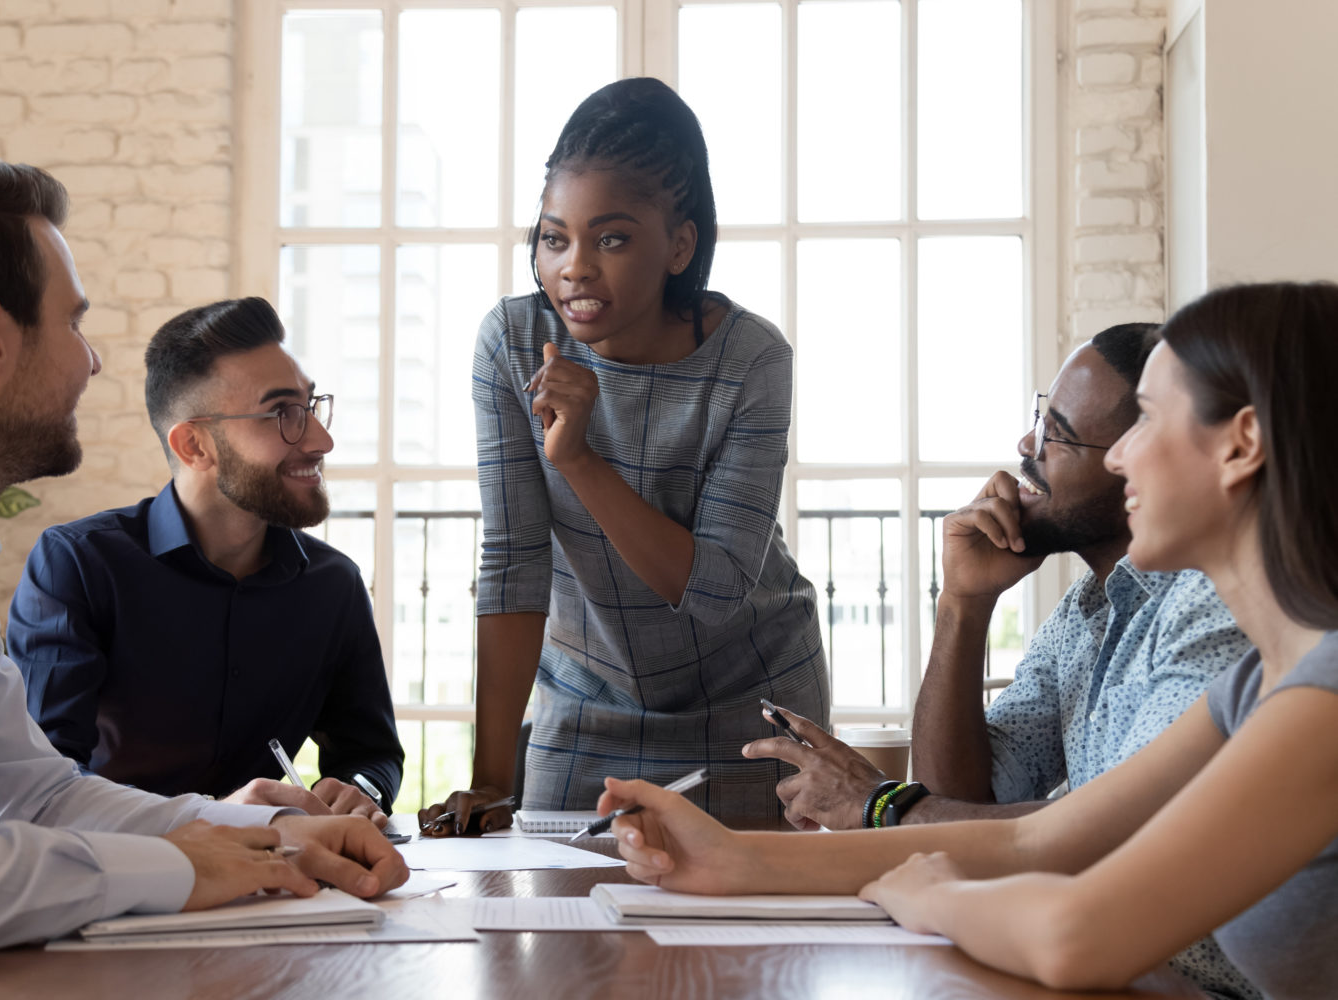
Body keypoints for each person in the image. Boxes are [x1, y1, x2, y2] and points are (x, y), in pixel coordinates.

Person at [601, 282, 1338, 999]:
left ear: (1242, 445)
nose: (1120, 457)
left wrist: (930, 894)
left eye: (1145, 419)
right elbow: (1040, 841)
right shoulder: (1259, 688)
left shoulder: (1324, 699)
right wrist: (730, 858)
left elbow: (1076, 933)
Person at [0, 158, 406, 966]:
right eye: (73, 323)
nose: (91, 362)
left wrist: (271, 830)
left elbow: (32, 795)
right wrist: (175, 865)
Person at [747, 324, 1257, 998]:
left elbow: (1103, 844)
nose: (1026, 449)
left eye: (1059, 434)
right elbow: (971, 800)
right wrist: (963, 604)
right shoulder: (1089, 609)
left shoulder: (1222, 612)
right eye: (1039, 420)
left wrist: (879, 807)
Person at [419, 77, 828, 833]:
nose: (575, 266)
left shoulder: (751, 359)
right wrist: (488, 778)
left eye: (611, 238)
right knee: (559, 925)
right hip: (586, 697)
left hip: (752, 698)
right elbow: (513, 558)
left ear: (679, 244)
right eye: (553, 237)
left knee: (739, 944)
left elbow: (712, 590)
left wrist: (579, 460)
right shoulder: (509, 344)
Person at [7, 297, 404, 824]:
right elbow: (43, 780)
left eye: (310, 406)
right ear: (194, 445)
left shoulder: (333, 585)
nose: (320, 439)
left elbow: (371, 753)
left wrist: (360, 790)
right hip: (121, 881)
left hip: (279, 887)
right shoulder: (79, 566)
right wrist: (210, 817)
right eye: (282, 413)